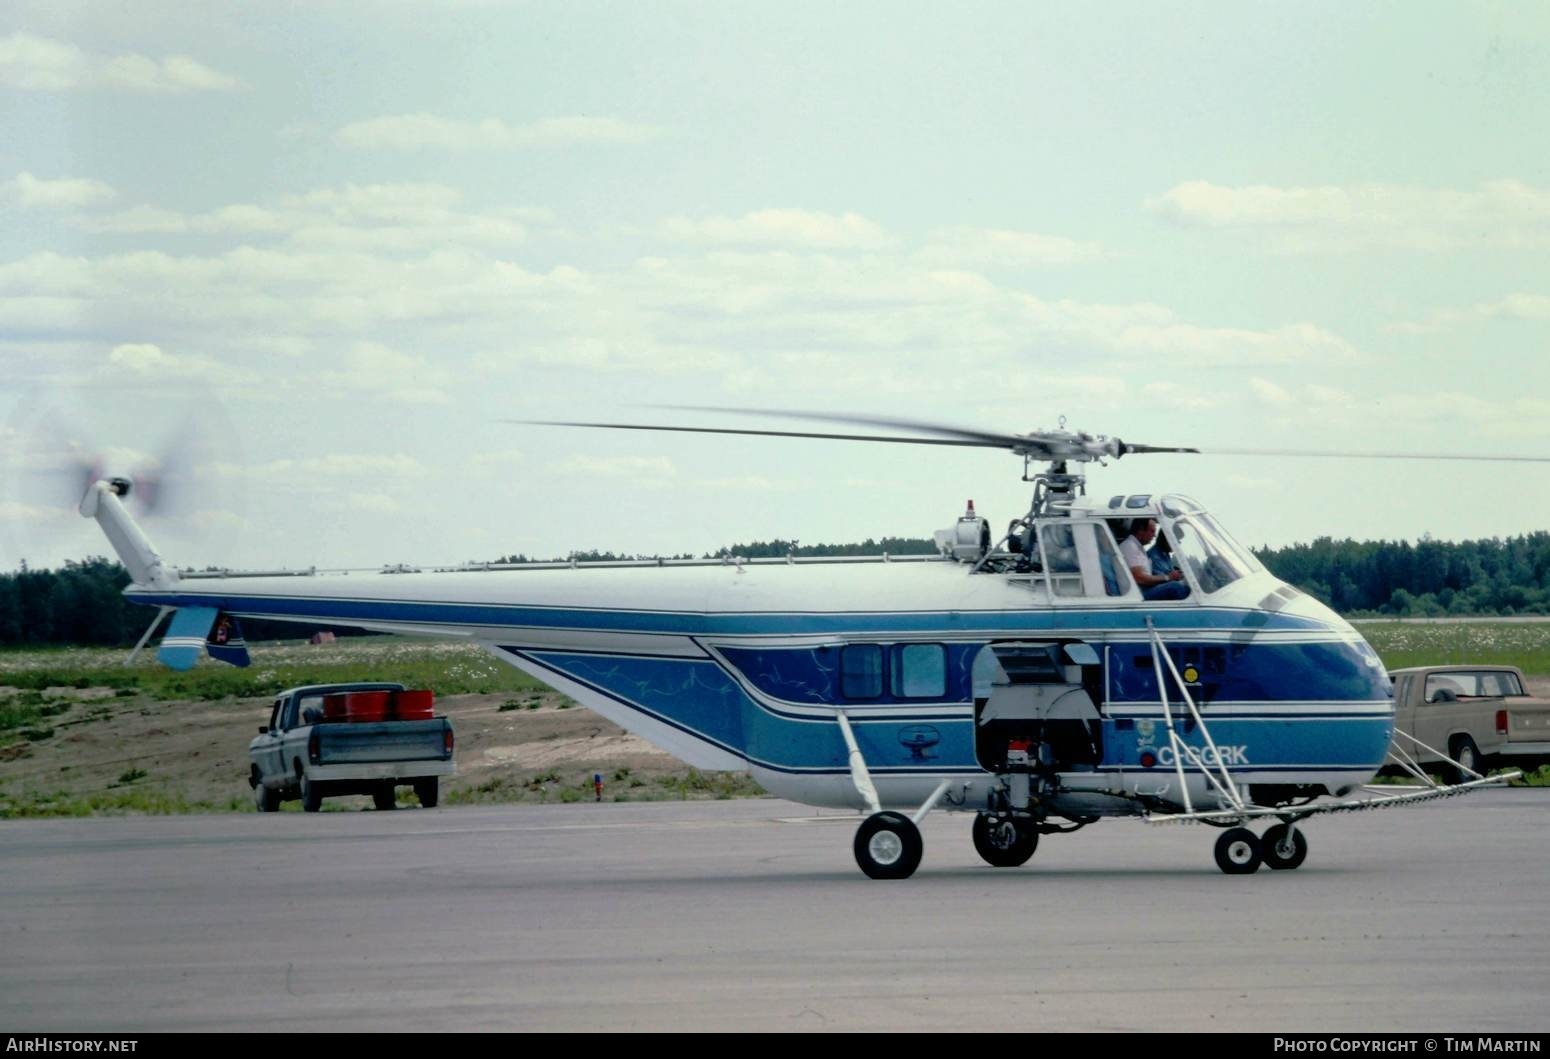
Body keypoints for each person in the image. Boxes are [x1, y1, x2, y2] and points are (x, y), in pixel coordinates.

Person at [1120, 518, 1189, 601]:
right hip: (1139, 594)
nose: (1154, 535)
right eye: (1152, 531)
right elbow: (1139, 578)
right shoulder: (1129, 546)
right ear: (1141, 530)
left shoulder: (1138, 547)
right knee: (1176, 587)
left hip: (1145, 589)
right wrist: (1168, 577)